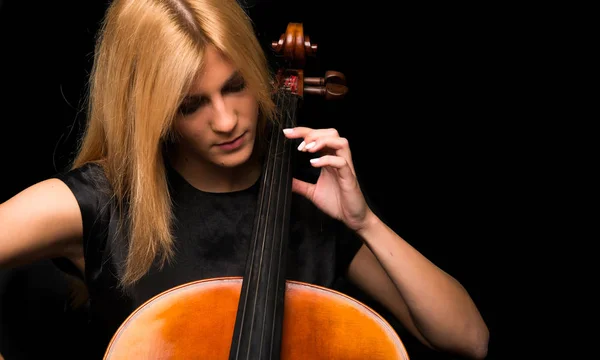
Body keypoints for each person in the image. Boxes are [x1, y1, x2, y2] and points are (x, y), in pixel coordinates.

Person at [0, 0, 489, 358]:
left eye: (236, 86)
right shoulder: (102, 202)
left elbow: (468, 339)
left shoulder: (305, 199)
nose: (227, 120)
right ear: (149, 114)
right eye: (191, 105)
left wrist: (364, 224)